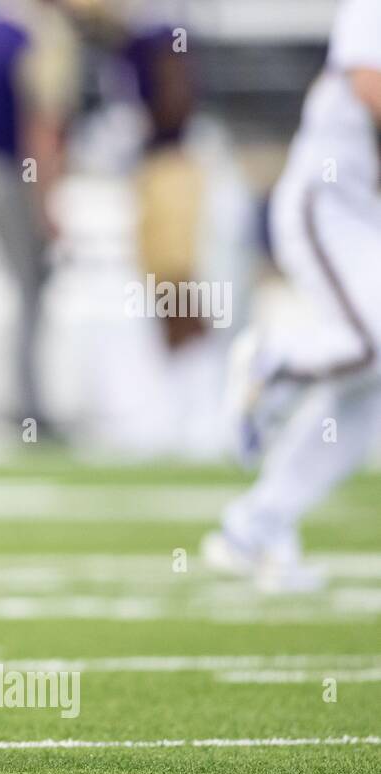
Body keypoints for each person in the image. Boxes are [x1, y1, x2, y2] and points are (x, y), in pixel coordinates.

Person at [203, 0, 381, 592]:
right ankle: (272, 363)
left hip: (363, 213)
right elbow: (370, 81)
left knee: (367, 394)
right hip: (325, 202)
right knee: (369, 342)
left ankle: (255, 526)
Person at [0, 0, 81, 430]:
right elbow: (41, 126)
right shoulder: (41, 34)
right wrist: (48, 201)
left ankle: (27, 401)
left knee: (26, 293)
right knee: (31, 294)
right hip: (18, 177)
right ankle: (29, 407)